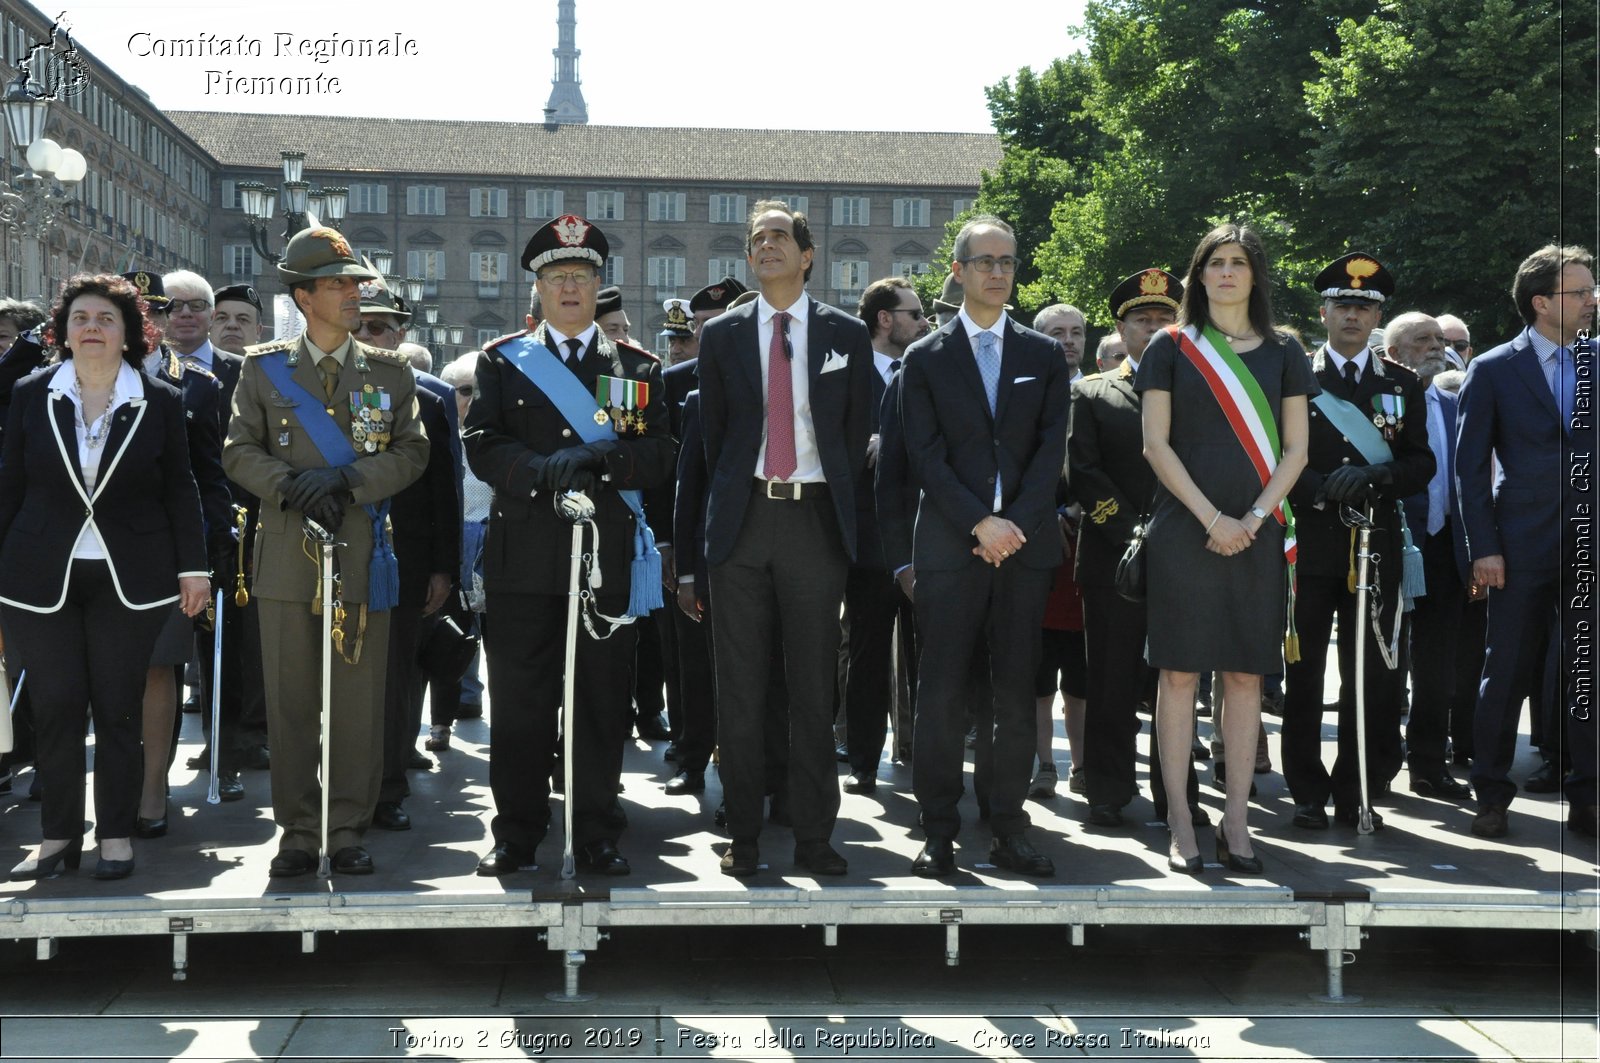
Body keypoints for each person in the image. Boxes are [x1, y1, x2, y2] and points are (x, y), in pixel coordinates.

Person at [464, 214, 673, 877]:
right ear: (539, 289)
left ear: (599, 284)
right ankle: (517, 833)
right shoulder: (503, 360)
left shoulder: (632, 367)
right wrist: (539, 471)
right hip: (523, 558)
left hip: (603, 562)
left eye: (582, 276)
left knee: (601, 704)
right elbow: (481, 443)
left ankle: (596, 831)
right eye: (558, 277)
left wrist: (601, 464)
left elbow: (655, 450)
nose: (571, 288)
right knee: (521, 705)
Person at [222, 227, 428, 877]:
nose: (353, 293)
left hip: (361, 549)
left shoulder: (390, 372)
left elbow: (412, 451)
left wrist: (347, 480)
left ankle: (345, 826)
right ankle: (297, 830)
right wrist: (290, 485)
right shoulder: (264, 366)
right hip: (286, 554)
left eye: (355, 282)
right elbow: (237, 450)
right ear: (304, 295)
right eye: (339, 283)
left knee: (358, 700)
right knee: (288, 701)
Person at [0, 273, 209, 880]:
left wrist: (193, 567)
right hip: (39, 574)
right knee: (57, 707)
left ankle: (115, 834)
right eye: (81, 319)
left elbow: (181, 486)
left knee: (119, 710)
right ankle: (59, 836)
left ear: (130, 334)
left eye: (106, 320)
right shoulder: (31, 393)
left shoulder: (159, 398)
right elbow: (10, 482)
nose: (92, 328)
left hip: (131, 576)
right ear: (63, 333)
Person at [697, 200, 871, 878]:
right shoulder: (723, 336)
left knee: (811, 691)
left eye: (779, 237)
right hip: (744, 522)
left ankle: (813, 836)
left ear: (807, 255)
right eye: (756, 239)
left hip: (814, 521)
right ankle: (742, 833)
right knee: (739, 691)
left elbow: (856, 437)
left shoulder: (846, 334)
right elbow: (716, 436)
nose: (766, 246)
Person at [1137, 224, 1314, 875]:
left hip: (1258, 530)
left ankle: (1236, 817)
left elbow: (1297, 448)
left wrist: (1254, 516)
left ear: (1255, 275)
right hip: (1187, 529)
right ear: (1199, 274)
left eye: (1239, 262)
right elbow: (1156, 444)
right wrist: (1213, 516)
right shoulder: (1172, 346)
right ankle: (1181, 818)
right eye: (1215, 261)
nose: (1227, 272)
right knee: (1179, 673)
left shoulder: (1285, 350)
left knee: (1245, 675)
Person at [899, 214, 1070, 878]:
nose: (998, 271)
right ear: (958, 270)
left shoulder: (1041, 355)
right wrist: (981, 523)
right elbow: (926, 456)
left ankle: (1008, 824)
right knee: (939, 693)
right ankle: (938, 828)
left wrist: (1013, 525)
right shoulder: (926, 356)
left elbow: (1049, 449)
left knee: (1013, 693)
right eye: (985, 260)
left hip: (1024, 549)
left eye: (1007, 261)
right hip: (951, 546)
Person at [1282, 254, 1433, 836]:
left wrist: (1374, 477)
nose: (1353, 315)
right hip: (1311, 544)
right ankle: (1306, 790)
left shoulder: (1399, 382)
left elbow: (1422, 461)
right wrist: (1317, 488)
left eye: (1364, 307)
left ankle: (1358, 785)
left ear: (1377, 317)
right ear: (1323, 312)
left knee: (1371, 674)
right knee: (1305, 672)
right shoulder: (1295, 378)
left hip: (1376, 545)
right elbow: (1271, 454)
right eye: (1343, 305)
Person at [1457, 245, 1598, 838]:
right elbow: (1468, 469)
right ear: (1542, 303)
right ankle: (1491, 793)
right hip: (1517, 545)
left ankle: (1588, 797)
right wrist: (1482, 548)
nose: (1593, 300)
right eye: (1580, 292)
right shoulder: (1492, 368)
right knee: (1506, 669)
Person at [1068, 268, 1202, 828]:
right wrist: (1133, 535)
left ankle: (1178, 792)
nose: (1152, 328)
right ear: (1120, 329)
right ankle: (1107, 787)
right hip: (1112, 560)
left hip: (1186, 556)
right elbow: (1083, 474)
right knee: (1111, 680)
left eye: (1163, 319)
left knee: (1179, 681)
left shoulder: (1201, 391)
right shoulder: (1092, 392)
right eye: (1141, 320)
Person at [841, 276, 928, 795]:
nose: (924, 324)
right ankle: (863, 760)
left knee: (930, 656)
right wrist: (865, 445)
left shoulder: (927, 370)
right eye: (914, 315)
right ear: (884, 319)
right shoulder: (846, 374)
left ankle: (922, 755)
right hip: (869, 543)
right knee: (867, 654)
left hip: (925, 539)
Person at [1385, 312, 1473, 800]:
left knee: (1438, 665)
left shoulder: (1457, 401)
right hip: (1388, 544)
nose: (1437, 347)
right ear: (1395, 353)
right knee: (1385, 661)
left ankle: (1428, 763)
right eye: (1423, 340)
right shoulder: (1380, 400)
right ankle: (1377, 762)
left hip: (1444, 548)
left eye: (1440, 340)